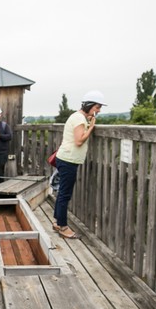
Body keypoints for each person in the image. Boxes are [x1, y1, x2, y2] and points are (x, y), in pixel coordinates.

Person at [53, 90, 105, 239]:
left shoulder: (78, 117)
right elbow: (79, 141)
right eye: (97, 107)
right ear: (89, 105)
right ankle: (63, 227)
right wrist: (91, 127)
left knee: (62, 192)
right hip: (68, 160)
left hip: (66, 159)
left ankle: (57, 222)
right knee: (65, 194)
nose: (99, 111)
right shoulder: (79, 118)